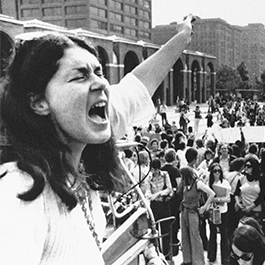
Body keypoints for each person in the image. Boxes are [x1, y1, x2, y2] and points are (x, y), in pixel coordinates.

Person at [0, 15, 194, 264]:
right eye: (80, 76)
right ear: (39, 102)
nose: (102, 83)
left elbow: (134, 90)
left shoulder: (75, 133)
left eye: (99, 72)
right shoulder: (19, 192)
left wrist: (182, 38)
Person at [179, 166, 215, 265]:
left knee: (195, 236)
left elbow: (212, 193)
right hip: (184, 211)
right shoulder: (186, 184)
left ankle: (198, 261)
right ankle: (187, 259)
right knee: (185, 236)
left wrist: (204, 207)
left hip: (193, 211)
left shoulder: (198, 183)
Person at [145, 158, 173, 259]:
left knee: (166, 230)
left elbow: (169, 189)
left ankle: (168, 255)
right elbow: (148, 191)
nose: (154, 171)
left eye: (155, 169)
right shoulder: (149, 178)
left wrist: (157, 194)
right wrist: (149, 195)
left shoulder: (165, 175)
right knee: (154, 230)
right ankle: (157, 254)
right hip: (155, 206)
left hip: (164, 204)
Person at [207, 163, 231, 265]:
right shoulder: (208, 183)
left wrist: (217, 199)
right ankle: (211, 256)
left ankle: (225, 258)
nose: (217, 173)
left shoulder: (225, 183)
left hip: (223, 211)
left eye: (219, 171)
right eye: (215, 171)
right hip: (212, 211)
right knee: (212, 233)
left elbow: (228, 198)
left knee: (224, 234)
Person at [161, 148, 182, 255]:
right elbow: (179, 187)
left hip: (163, 200)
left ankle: (164, 246)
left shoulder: (161, 169)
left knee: (164, 222)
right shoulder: (176, 171)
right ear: (174, 158)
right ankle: (173, 243)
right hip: (174, 201)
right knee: (174, 221)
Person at [234, 156, 265, 228]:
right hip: (244, 210)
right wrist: (238, 203)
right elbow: (236, 193)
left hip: (257, 210)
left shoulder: (261, 179)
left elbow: (262, 196)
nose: (246, 168)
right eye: (245, 166)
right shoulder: (241, 178)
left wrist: (250, 207)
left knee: (255, 233)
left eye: (249, 166)